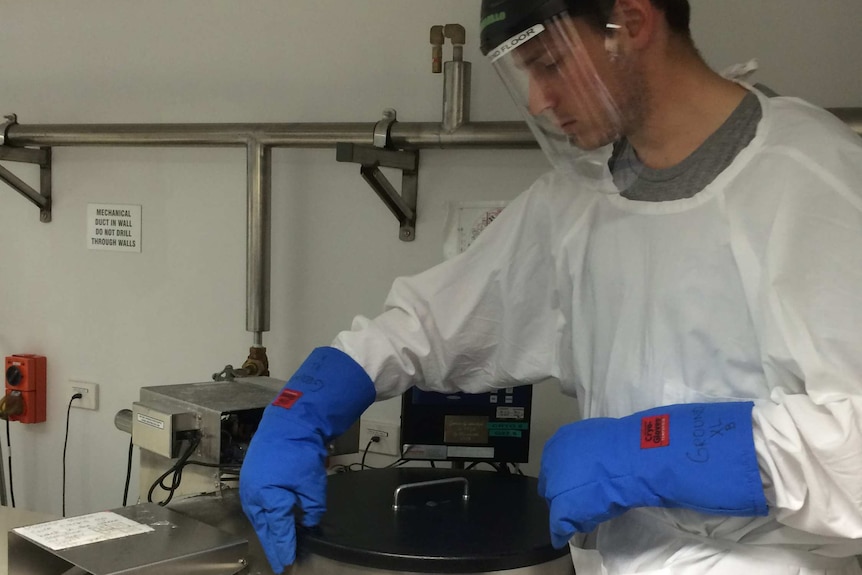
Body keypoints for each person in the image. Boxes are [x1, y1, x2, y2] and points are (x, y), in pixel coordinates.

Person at [240, 0, 862, 573]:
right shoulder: (579, 200)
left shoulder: (811, 177)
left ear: (633, 23)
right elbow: (434, 323)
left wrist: (646, 453)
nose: (537, 101)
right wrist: (305, 407)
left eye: (548, 64)